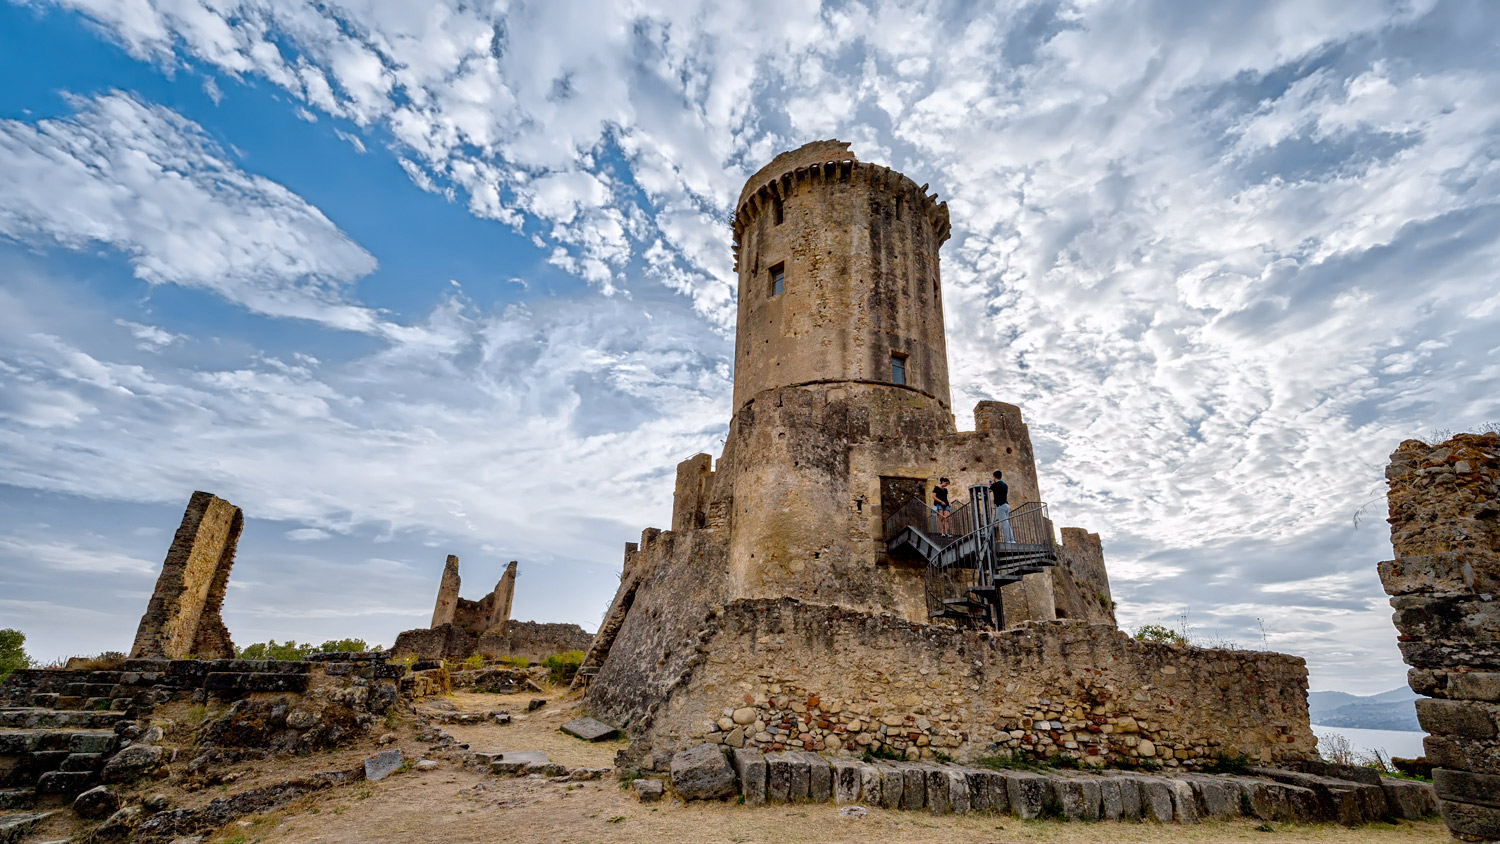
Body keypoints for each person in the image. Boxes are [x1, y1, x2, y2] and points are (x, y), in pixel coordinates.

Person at [990, 470, 1015, 544]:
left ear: (994, 477)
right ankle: (1012, 539)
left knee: (1004, 524)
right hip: (1006, 505)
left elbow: (989, 489)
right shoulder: (1005, 484)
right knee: (1007, 523)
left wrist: (990, 484)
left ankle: (1008, 540)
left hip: (1000, 506)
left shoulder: (995, 485)